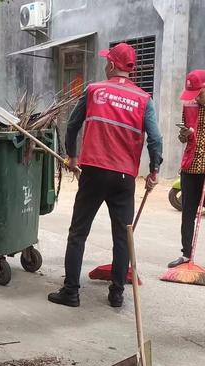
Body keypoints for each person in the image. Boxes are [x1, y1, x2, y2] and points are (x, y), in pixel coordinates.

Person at [48, 43, 163, 308]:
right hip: (124, 178)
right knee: (123, 236)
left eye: (106, 61)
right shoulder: (144, 100)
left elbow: (73, 125)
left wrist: (72, 156)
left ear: (111, 65)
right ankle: (117, 293)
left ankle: (71, 292)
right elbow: (155, 139)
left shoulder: (94, 90)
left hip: (94, 172)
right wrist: (154, 171)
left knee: (78, 232)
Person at [167, 70, 205, 268]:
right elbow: (183, 139)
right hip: (191, 167)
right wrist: (184, 134)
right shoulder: (189, 106)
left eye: (199, 93)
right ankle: (186, 255)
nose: (195, 98)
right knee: (187, 213)